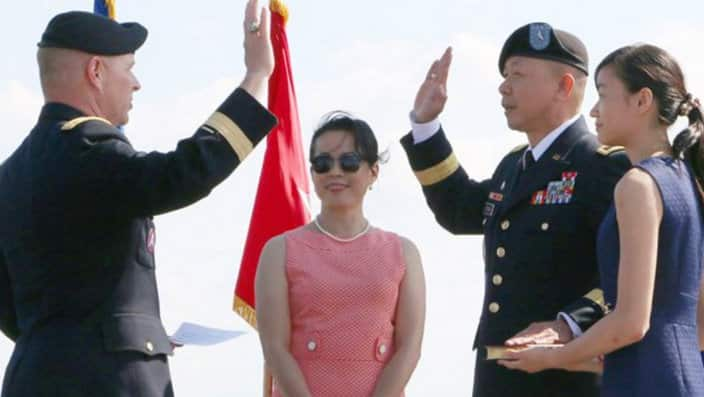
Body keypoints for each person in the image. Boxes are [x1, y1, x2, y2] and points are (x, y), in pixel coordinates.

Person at [0, 1, 277, 396]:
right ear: (96, 71)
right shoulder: (87, 146)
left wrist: (92, 335)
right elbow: (183, 173)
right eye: (128, 68)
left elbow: (13, 310)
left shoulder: (9, 175)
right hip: (110, 381)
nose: (136, 83)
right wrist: (256, 76)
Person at [400, 23, 630, 396]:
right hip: (498, 373)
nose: (504, 87)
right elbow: (459, 210)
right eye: (505, 76)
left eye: (518, 75)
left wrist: (569, 323)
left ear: (564, 86)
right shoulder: (513, 167)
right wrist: (426, 127)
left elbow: (629, 275)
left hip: (568, 375)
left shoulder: (603, 166)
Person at [500, 44, 704, 397]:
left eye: (604, 95)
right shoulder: (689, 180)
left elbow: (631, 323)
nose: (593, 110)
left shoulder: (638, 184)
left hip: (645, 382)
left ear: (643, 101)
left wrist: (554, 357)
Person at [255, 112, 426, 397]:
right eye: (322, 164)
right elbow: (274, 347)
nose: (335, 172)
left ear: (373, 171)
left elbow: (410, 346)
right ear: (312, 173)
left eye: (349, 162)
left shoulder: (403, 253)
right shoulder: (279, 251)